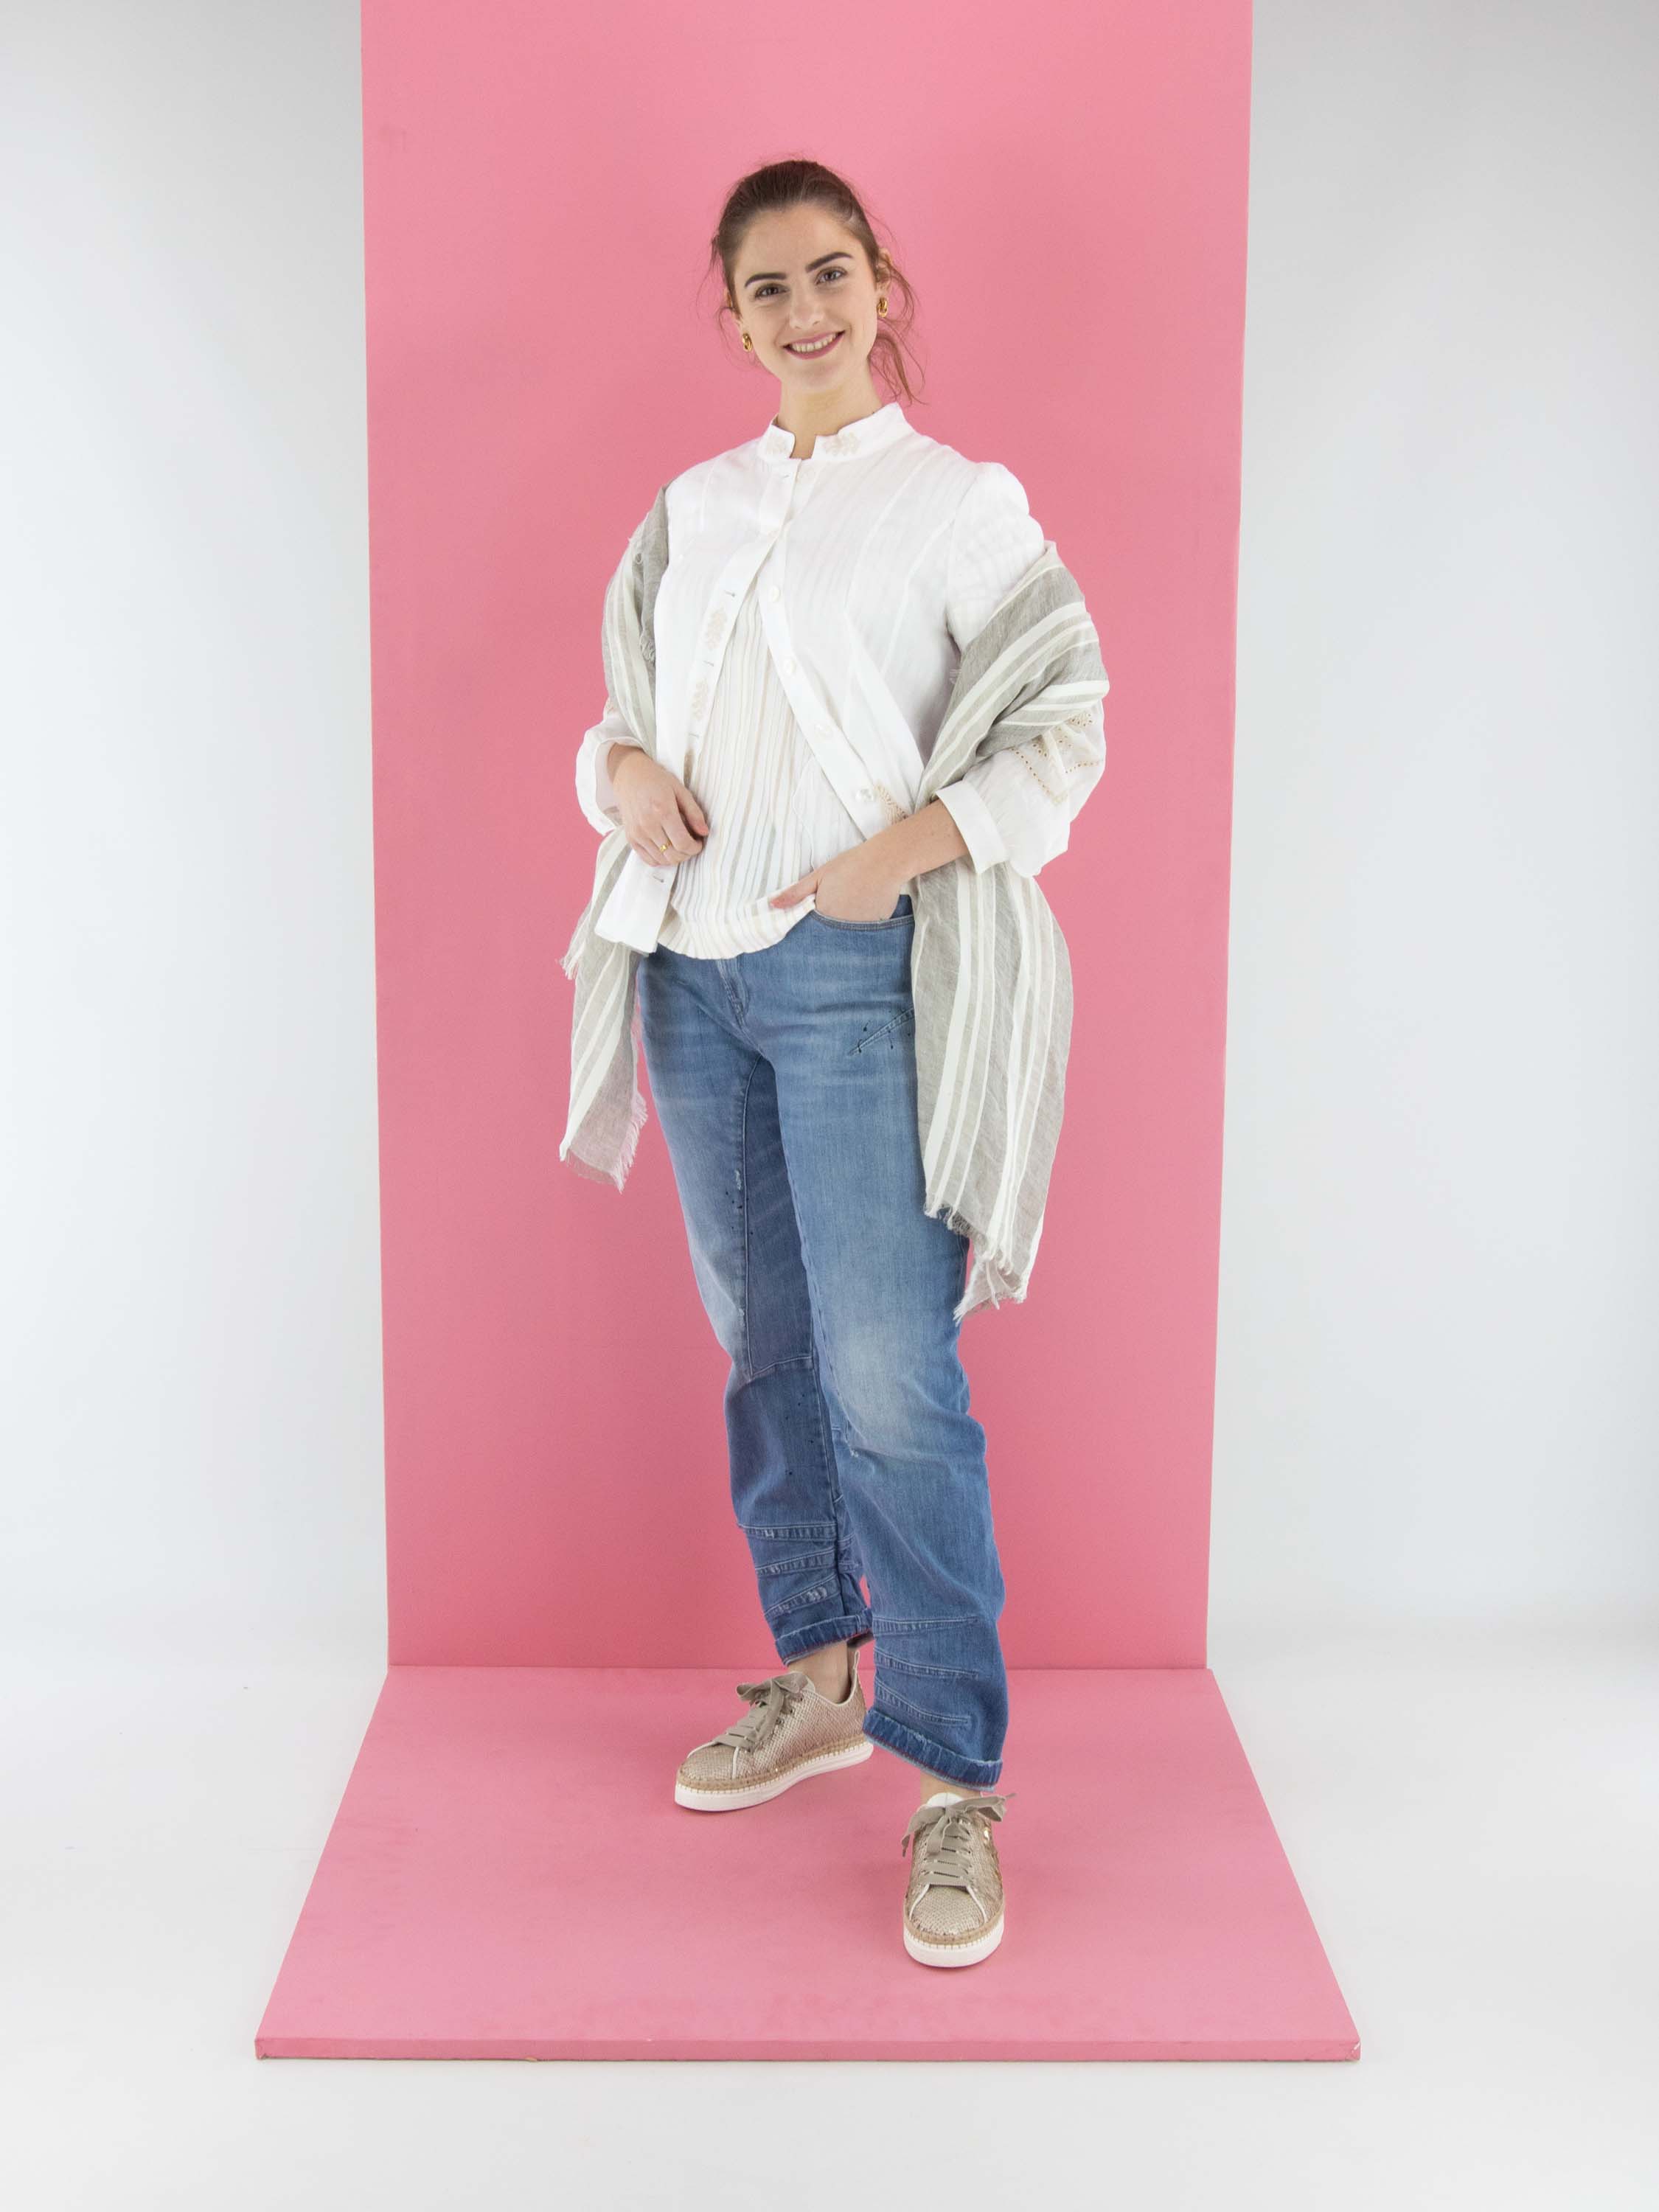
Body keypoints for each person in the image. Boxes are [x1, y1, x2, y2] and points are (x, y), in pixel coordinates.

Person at [568, 160, 1108, 1969]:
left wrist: (906, 852)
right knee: (769, 1348)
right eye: (769, 290)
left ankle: (953, 1779)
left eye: (830, 275)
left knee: (891, 1376)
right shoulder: (692, 508)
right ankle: (816, 1677)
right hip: (687, 966)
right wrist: (621, 779)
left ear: (881, 284)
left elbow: (1064, 725)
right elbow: (626, 717)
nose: (805, 313)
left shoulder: (959, 505)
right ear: (732, 322)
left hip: (854, 972)